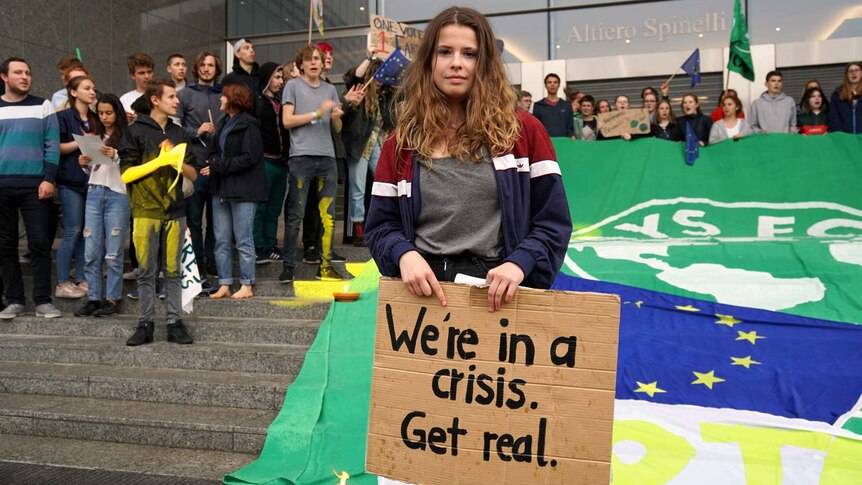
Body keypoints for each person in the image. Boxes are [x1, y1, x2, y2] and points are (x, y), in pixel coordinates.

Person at [365, 7, 572, 312]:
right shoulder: (400, 144)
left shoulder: (524, 131)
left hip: (496, 298)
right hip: (421, 300)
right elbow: (381, 226)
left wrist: (520, 263)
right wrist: (403, 255)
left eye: (470, 54)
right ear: (428, 62)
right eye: (445, 52)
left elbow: (552, 222)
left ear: (485, 63)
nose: (457, 64)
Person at [119, 78, 197, 346]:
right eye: (172, 96)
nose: (177, 101)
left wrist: (176, 161)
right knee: (146, 271)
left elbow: (193, 174)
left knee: (174, 271)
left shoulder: (179, 132)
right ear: (155, 100)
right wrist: (159, 161)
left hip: (175, 210)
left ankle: (175, 322)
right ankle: (145, 324)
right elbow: (127, 174)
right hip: (145, 211)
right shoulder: (134, 131)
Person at [0, 57, 62, 319]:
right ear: (4, 77)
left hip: (36, 186)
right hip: (2, 185)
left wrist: (48, 178)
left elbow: (52, 145)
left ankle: (42, 301)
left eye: (28, 72)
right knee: (5, 245)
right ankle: (14, 300)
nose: (25, 77)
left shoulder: (43, 105)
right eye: (18, 73)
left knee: (38, 243)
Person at [279, 44, 346, 283]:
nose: (314, 63)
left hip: (327, 157)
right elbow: (287, 121)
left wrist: (337, 118)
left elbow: (336, 128)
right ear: (301, 65)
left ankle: (325, 267)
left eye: (318, 58)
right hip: (301, 158)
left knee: (328, 217)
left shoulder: (330, 89)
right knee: (295, 215)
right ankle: (288, 267)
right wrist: (318, 114)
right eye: (309, 60)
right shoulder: (292, 85)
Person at [204, 83, 265, 299]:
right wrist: (212, 162)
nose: (220, 99)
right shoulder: (222, 124)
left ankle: (247, 284)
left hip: (243, 190)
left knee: (243, 238)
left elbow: (250, 157)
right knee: (221, 239)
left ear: (234, 99)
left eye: (224, 96)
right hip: (221, 188)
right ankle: (224, 283)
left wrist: (217, 166)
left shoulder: (249, 126)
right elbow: (214, 152)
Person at [74, 94, 130, 317]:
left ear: (117, 112)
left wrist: (116, 155)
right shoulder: (94, 137)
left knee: (114, 252)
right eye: (101, 113)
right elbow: (94, 169)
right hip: (95, 192)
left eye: (109, 112)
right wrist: (84, 164)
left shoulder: (127, 136)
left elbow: (133, 167)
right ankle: (94, 298)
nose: (105, 117)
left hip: (118, 193)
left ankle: (113, 298)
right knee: (91, 250)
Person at [178, 51, 224, 281]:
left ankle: (212, 261)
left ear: (217, 69)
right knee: (194, 220)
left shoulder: (223, 94)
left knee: (217, 221)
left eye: (211, 65)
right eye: (203, 65)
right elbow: (174, 127)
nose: (207, 69)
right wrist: (197, 132)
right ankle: (195, 263)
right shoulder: (185, 94)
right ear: (197, 69)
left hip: (217, 166)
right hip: (194, 166)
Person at [55, 75, 100, 300]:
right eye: (86, 88)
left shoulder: (95, 118)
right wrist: (82, 141)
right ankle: (62, 281)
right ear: (73, 92)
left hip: (92, 181)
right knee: (72, 229)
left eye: (93, 88)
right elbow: (57, 147)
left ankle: (82, 277)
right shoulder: (63, 117)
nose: (92, 92)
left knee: (86, 231)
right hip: (70, 180)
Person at [342, 55, 394, 247]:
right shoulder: (360, 91)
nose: (381, 79)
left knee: (384, 182)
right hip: (358, 146)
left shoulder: (384, 97)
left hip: (375, 145)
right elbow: (354, 77)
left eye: (384, 74)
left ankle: (383, 223)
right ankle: (358, 229)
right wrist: (368, 57)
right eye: (378, 74)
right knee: (358, 188)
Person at [253, 62, 289, 262]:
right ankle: (258, 246)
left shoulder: (281, 102)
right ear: (267, 78)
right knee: (260, 207)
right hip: (264, 161)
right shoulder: (257, 102)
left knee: (275, 209)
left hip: (281, 163)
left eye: (282, 77)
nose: (280, 81)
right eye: (276, 77)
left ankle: (270, 244)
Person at [222, 39, 260, 113]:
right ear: (237, 54)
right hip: (241, 122)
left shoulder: (261, 75)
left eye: (252, 48)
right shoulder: (229, 79)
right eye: (246, 48)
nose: (251, 50)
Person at [532, 73, 574, 138]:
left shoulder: (567, 106)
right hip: (545, 144)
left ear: (558, 85)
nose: (552, 84)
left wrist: (572, 137)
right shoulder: (538, 106)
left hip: (564, 144)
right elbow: (535, 129)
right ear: (545, 85)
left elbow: (571, 128)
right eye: (549, 82)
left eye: (555, 82)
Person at [119, 53, 155, 123]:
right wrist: (123, 119)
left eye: (149, 72)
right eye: (142, 73)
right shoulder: (124, 99)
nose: (147, 76)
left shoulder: (163, 96)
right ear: (132, 75)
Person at [828, 62, 861, 134]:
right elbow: (834, 120)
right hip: (845, 139)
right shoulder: (837, 95)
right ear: (847, 75)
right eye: (850, 71)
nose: (854, 73)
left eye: (857, 70)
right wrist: (841, 137)